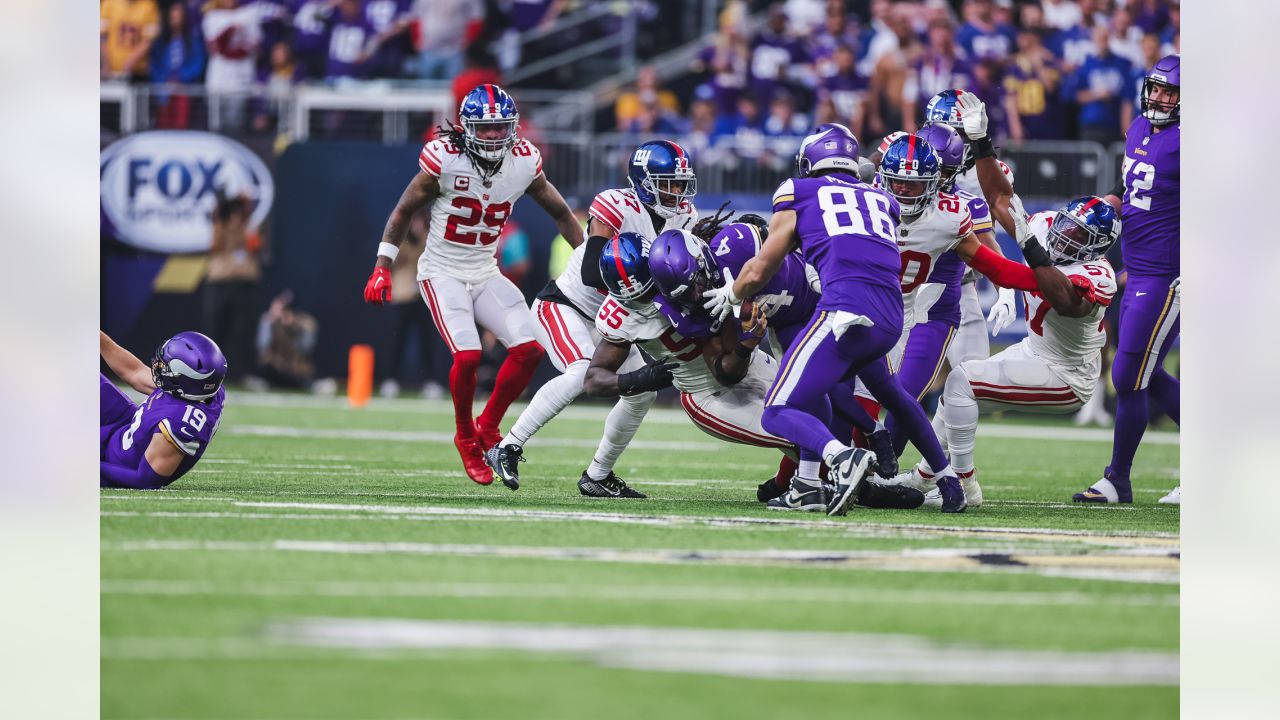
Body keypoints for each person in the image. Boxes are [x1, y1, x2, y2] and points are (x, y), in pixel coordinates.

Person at [702, 125, 969, 515]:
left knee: (777, 410)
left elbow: (760, 269)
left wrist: (731, 294)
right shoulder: (882, 199)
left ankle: (843, 458)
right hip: (890, 315)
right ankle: (947, 481)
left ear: (809, 161)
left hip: (843, 309)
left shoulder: (798, 190)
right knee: (891, 393)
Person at [362, 84, 583, 485]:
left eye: (502, 128)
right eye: (486, 128)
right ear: (466, 128)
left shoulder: (523, 163)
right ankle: (465, 436)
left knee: (530, 351)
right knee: (467, 356)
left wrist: (589, 260)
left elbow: (564, 215)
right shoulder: (445, 161)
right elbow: (402, 212)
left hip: (484, 270)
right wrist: (382, 267)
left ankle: (488, 425)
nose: (496, 136)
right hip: (441, 271)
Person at [485, 141, 698, 496]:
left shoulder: (685, 216)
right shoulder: (617, 204)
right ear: (644, 181)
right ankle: (507, 446)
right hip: (568, 306)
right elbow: (591, 271)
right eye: (668, 183)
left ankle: (598, 475)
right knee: (581, 372)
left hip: (616, 318)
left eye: (680, 183)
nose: (677, 191)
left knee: (640, 395)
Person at [1074, 55, 1180, 505]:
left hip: (1168, 274)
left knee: (1129, 372)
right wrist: (1110, 204)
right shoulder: (1137, 127)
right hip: (1138, 267)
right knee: (1142, 370)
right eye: (1155, 88)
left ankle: (1118, 478)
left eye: (1169, 93)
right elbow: (1136, 193)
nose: (1159, 98)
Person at [100, 330, 227, 489]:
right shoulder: (201, 390)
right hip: (125, 428)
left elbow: (144, 480)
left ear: (180, 380)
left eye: (165, 366)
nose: (159, 366)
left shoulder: (179, 423)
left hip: (113, 459)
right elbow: (134, 371)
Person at [204, 188, 262, 382]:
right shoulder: (219, 223)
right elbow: (215, 245)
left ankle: (243, 373)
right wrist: (221, 213)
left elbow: (254, 245)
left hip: (243, 284)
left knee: (244, 331)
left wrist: (245, 216)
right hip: (220, 283)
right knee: (216, 329)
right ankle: (211, 372)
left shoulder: (250, 225)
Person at [1068, 24, 1135, 143]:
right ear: (1093, 39)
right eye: (1100, 38)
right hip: (1091, 124)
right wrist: (1098, 95)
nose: (1103, 41)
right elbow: (1077, 95)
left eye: (1105, 37)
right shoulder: (1087, 64)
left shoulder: (1122, 63)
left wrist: (1126, 126)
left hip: (1114, 124)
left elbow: (1128, 97)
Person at [149, 2, 206, 129]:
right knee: (163, 123)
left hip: (185, 90)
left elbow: (198, 64)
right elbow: (155, 65)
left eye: (178, 16)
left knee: (181, 124)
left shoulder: (192, 40)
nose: (175, 20)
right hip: (164, 91)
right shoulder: (161, 41)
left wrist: (180, 78)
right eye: (172, 16)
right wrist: (164, 81)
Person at [101, 0, 161, 81]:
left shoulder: (149, 5)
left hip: (137, 72)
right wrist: (106, 63)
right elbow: (102, 35)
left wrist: (131, 61)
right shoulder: (109, 3)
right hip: (111, 72)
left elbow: (149, 39)